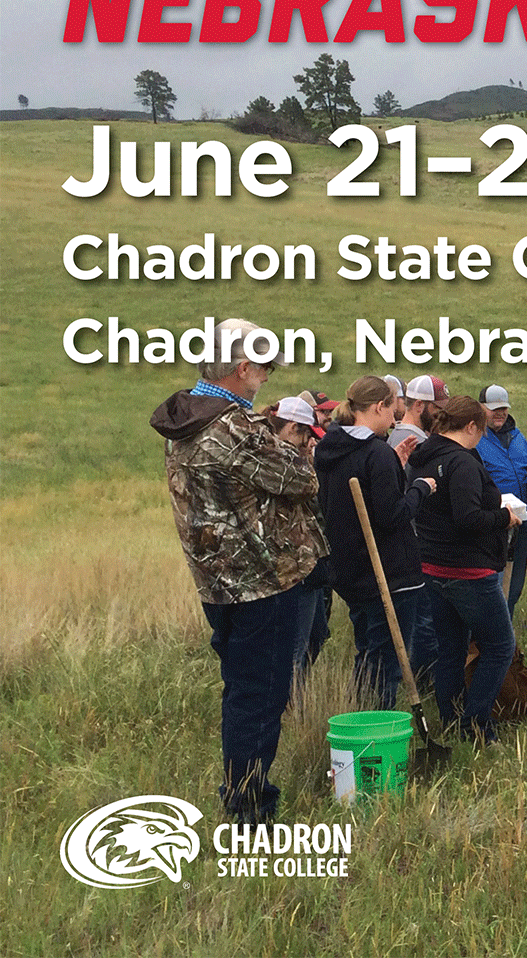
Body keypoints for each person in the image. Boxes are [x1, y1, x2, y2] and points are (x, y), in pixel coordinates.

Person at [151, 318, 324, 823]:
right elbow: (302, 478)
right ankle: (249, 808)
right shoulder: (234, 430)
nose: (267, 377)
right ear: (242, 367)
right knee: (261, 698)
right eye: (265, 368)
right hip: (260, 585)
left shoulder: (187, 419)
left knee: (243, 691)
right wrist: (289, 445)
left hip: (216, 583)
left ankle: (243, 793)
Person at [314, 376, 437, 710]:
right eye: (392, 408)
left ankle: (361, 714)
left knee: (368, 650)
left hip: (350, 569)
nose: (395, 417)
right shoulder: (375, 453)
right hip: (389, 572)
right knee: (386, 660)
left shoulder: (331, 448)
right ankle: (378, 724)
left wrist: (394, 465)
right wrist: (420, 488)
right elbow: (392, 515)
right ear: (379, 406)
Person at [408, 396, 520, 742]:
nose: (481, 437)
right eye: (481, 430)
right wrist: (504, 517)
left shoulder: (422, 456)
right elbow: (468, 518)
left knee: (451, 648)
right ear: (471, 426)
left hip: (433, 566)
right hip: (469, 571)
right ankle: (477, 723)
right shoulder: (462, 462)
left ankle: (451, 717)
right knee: (500, 646)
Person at [264, 396, 332, 680]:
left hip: (307, 563)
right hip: (289, 568)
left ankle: (297, 692)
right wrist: (306, 461)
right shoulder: (276, 459)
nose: (310, 442)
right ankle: (292, 700)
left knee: (317, 634)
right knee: (295, 648)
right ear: (292, 428)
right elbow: (309, 489)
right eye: (307, 435)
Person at [477, 384, 527, 610]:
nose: (500, 413)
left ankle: (508, 622)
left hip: (522, 520)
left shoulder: (518, 438)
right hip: (494, 521)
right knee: (495, 582)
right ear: (481, 408)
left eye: (503, 408)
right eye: (494, 409)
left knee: (515, 580)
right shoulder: (477, 438)